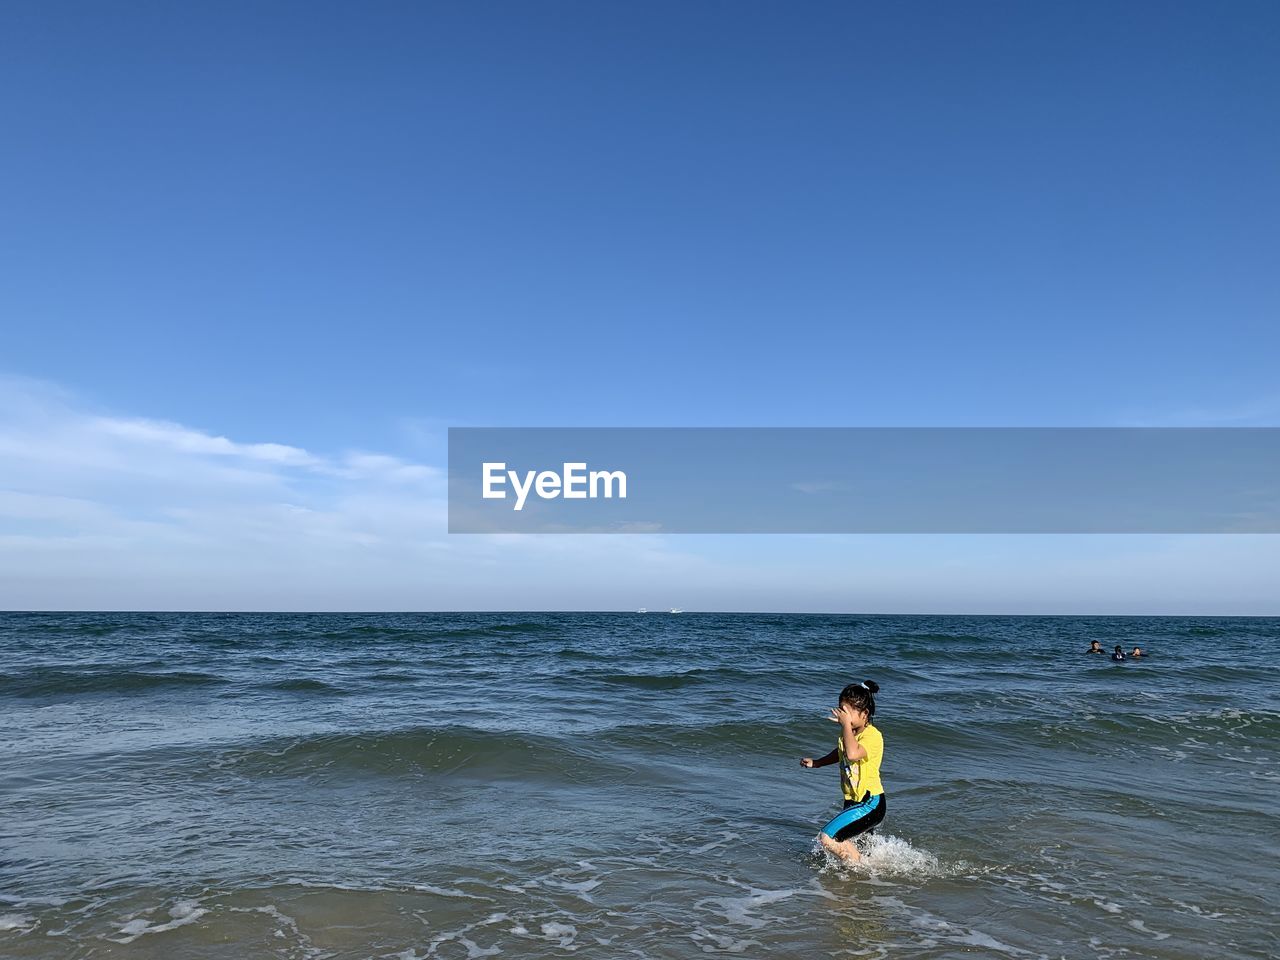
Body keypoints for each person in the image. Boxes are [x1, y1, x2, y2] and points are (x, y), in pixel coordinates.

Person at [800, 679, 886, 863]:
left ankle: (858, 870)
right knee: (861, 845)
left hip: (870, 803)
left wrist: (845, 725)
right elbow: (841, 752)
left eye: (847, 713)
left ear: (865, 714)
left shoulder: (873, 736)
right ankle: (867, 875)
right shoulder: (849, 734)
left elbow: (853, 754)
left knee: (827, 837)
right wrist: (817, 763)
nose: (842, 716)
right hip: (853, 801)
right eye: (841, 710)